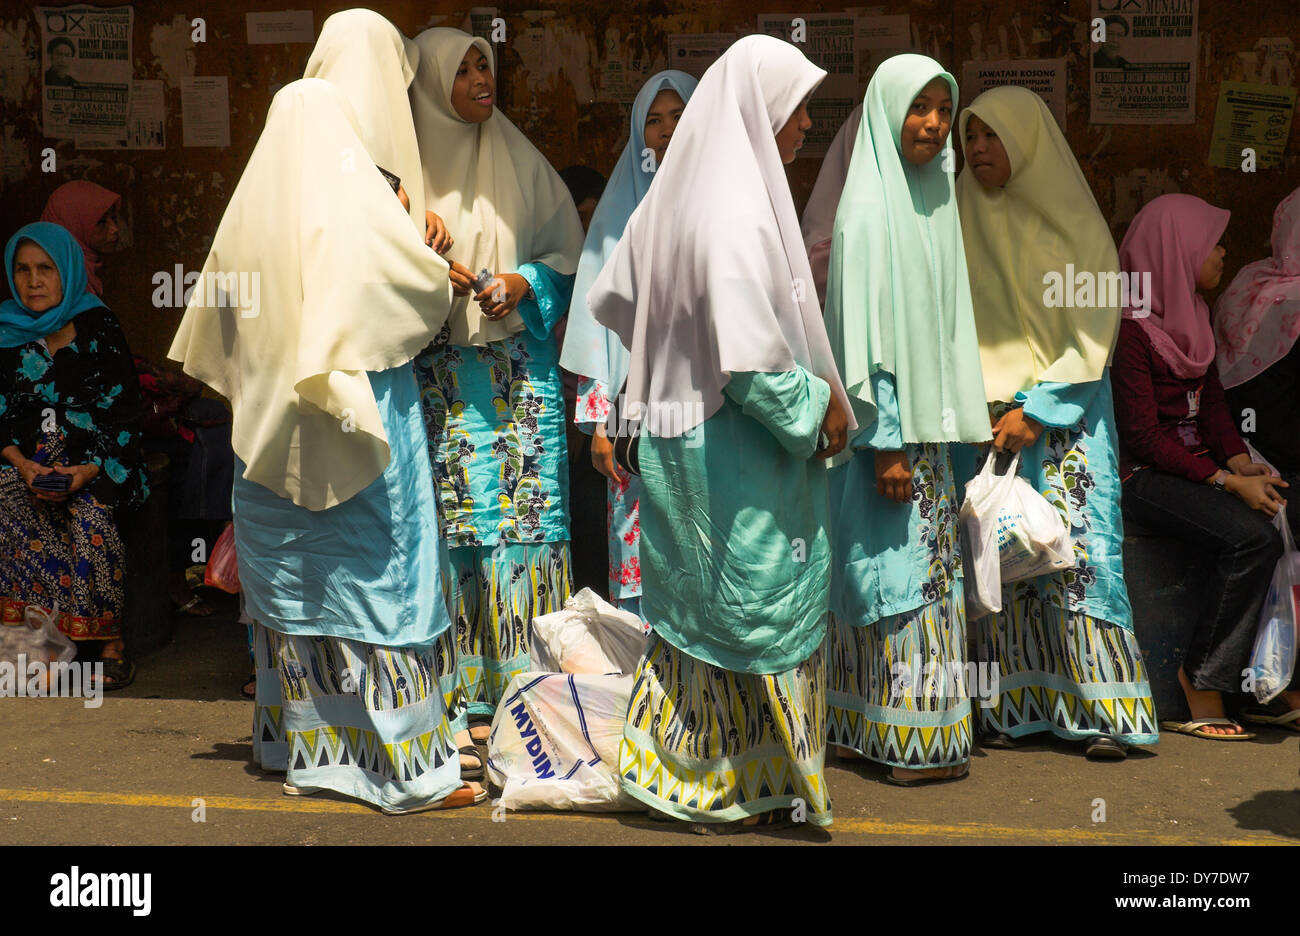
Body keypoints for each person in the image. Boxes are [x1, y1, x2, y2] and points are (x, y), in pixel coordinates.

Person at [169, 9, 481, 812]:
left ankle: (304, 749)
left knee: (303, 589)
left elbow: (228, 312)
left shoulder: (268, 187)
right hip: (363, 419)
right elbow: (406, 292)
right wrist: (429, 254)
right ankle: (409, 769)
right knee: (380, 579)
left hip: (273, 432)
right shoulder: (355, 183)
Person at [588, 34, 853, 832]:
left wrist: (674, 359)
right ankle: (747, 785)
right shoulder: (737, 210)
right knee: (752, 612)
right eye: (798, 106)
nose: (807, 123)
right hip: (736, 451)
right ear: (760, 110)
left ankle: (682, 777)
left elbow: (622, 299)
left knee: (697, 618)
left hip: (679, 438)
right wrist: (820, 414)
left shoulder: (678, 196)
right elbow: (750, 366)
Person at [955, 85, 1158, 759]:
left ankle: (1104, 714)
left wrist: (1035, 411)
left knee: (1078, 560)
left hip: (1064, 423)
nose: (977, 149)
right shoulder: (960, 213)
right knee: (1007, 566)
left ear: (1028, 140)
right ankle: (1015, 711)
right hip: (987, 425)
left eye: (991, 136)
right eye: (971, 136)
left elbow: (1093, 333)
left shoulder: (1078, 227)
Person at [408, 27, 584, 749]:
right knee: (451, 528)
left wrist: (523, 281)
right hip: (438, 381)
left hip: (519, 387)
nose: (483, 78)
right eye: (464, 69)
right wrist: (422, 269)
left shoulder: (521, 159)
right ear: (427, 87)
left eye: (486, 64)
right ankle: (458, 698)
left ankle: (527, 693)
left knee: (522, 525)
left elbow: (568, 257)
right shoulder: (400, 181)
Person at [822, 53, 992, 786]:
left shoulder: (933, 197)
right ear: (886, 112)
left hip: (924, 437)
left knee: (909, 572)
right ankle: (909, 739)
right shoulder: (867, 210)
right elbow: (867, 338)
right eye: (916, 107)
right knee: (899, 577)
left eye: (941, 109)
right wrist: (885, 441)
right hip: (888, 443)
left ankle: (871, 729)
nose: (931, 123)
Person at [1111, 193, 1286, 741]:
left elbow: (1211, 408)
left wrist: (1242, 464)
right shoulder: (1132, 330)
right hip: (1146, 477)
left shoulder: (1195, 313)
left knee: (1289, 509)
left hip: (1201, 466)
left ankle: (1273, 684)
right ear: (1176, 251)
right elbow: (1142, 436)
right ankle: (1202, 678)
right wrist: (1223, 480)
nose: (1223, 253)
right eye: (1212, 244)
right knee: (1251, 540)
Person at [42, 180, 232, 621]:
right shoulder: (64, 285)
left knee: (212, 419)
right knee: (202, 448)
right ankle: (177, 571)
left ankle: (194, 564)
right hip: (85, 433)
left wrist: (151, 378)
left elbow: (108, 366)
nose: (114, 230)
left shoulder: (87, 276)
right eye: (102, 221)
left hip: (111, 413)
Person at [561, 69, 697, 618]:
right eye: (652, 122)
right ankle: (647, 681)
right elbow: (595, 325)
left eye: (678, 117)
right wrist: (600, 425)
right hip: (633, 421)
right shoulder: (619, 213)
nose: (663, 133)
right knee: (637, 541)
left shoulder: (724, 200)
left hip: (707, 412)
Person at [0, 221, 148, 690]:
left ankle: (108, 644)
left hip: (104, 462)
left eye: (46, 268)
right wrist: (23, 466)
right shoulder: (4, 331)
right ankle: (33, 646)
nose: (34, 280)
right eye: (22, 270)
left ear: (67, 270)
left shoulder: (99, 326)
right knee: (9, 503)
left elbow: (125, 416)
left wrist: (86, 470)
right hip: (26, 465)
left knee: (90, 516)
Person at [1215, 184, 1300, 729]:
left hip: (1249, 453)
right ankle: (1274, 687)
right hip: (1266, 464)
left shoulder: (1248, 284)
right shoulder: (1290, 303)